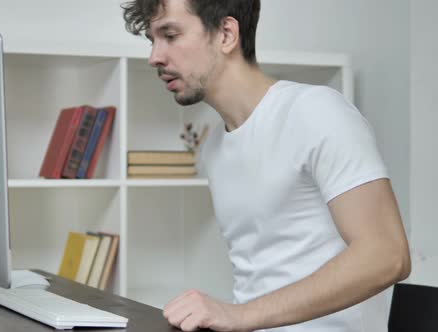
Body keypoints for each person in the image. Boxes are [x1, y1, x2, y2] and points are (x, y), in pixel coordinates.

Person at [121, 0, 411, 331]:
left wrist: (239, 315)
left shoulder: (316, 112)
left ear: (226, 34)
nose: (155, 57)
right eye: (152, 40)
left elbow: (387, 255)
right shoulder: (214, 147)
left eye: (170, 35)